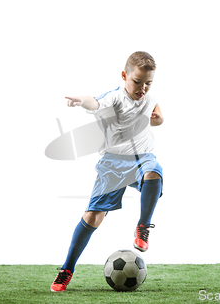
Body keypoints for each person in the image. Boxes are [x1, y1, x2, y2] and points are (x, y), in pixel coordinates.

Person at [50, 51, 164, 292]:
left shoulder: (149, 97)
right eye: (137, 82)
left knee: (153, 172)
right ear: (124, 76)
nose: (142, 88)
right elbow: (95, 102)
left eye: (148, 83)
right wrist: (82, 100)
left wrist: (157, 119)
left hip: (141, 157)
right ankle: (66, 269)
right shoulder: (115, 98)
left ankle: (143, 227)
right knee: (93, 218)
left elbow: (156, 115)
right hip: (113, 162)